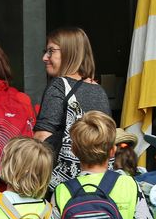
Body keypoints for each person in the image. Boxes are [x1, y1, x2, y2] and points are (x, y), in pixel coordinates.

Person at [34, 27, 111, 190]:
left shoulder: (59, 86)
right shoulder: (99, 90)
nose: (44, 58)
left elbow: (41, 140)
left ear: (69, 52)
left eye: (51, 51)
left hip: (62, 188)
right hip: (99, 185)